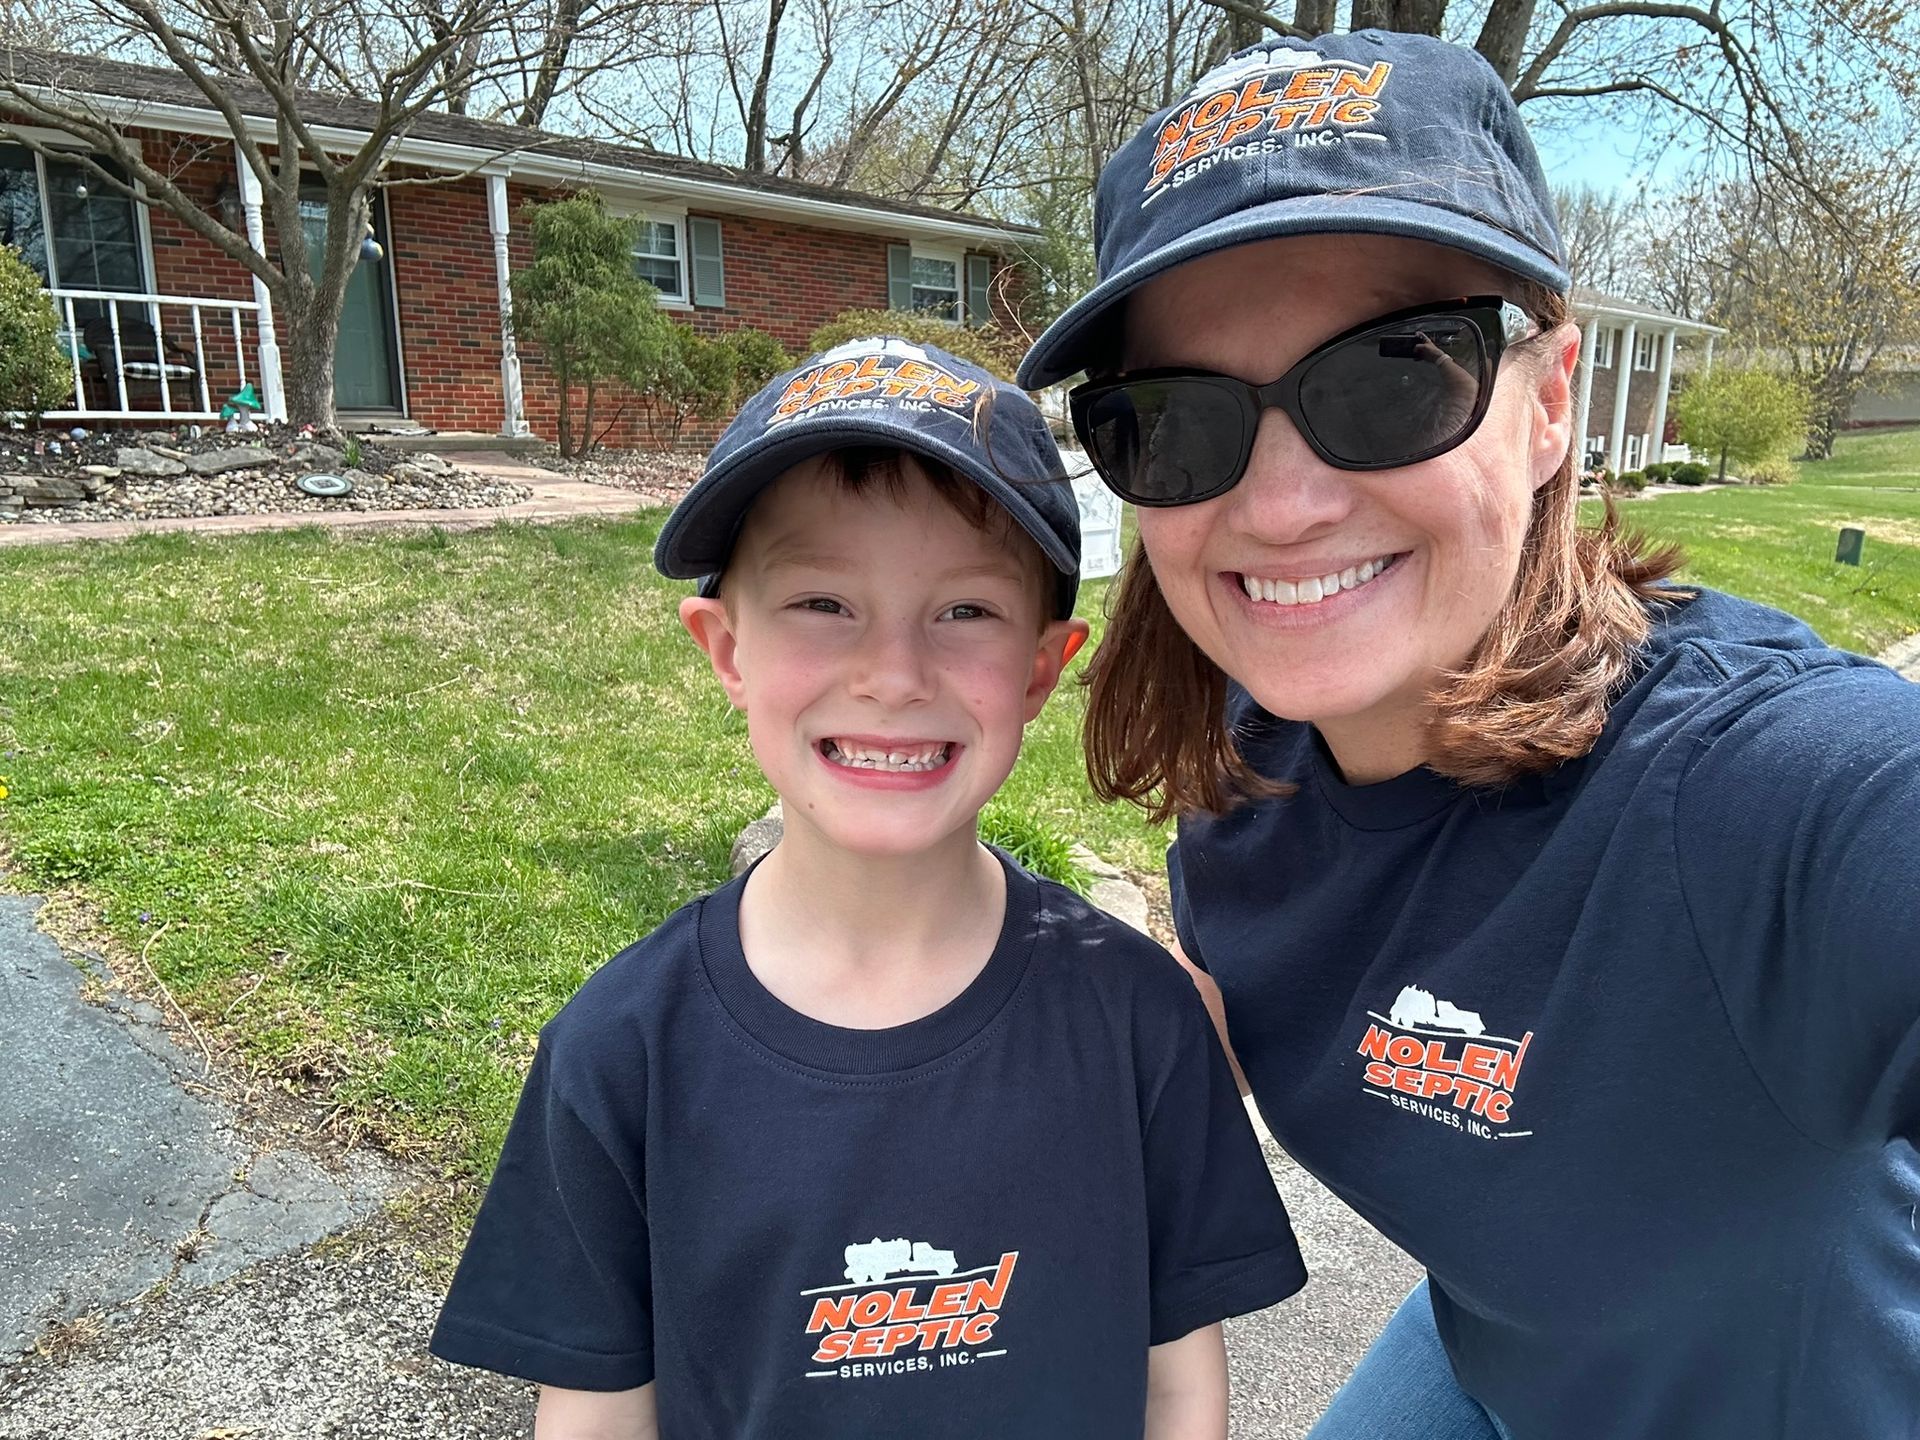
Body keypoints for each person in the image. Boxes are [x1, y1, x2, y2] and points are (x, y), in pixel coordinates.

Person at [1018, 29, 1920, 1440]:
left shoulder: (1757, 792)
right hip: (1498, 1356)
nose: (1282, 506)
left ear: (1550, 403)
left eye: (1393, 376)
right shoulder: (1251, 767)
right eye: (1177, 420)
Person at [428, 337, 1307, 1439]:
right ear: (727, 649)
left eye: (965, 612)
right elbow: (598, 1413)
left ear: (1042, 668)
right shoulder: (619, 1052)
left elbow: (1178, 1381)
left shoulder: (1138, 1019)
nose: (893, 675)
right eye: (823, 603)